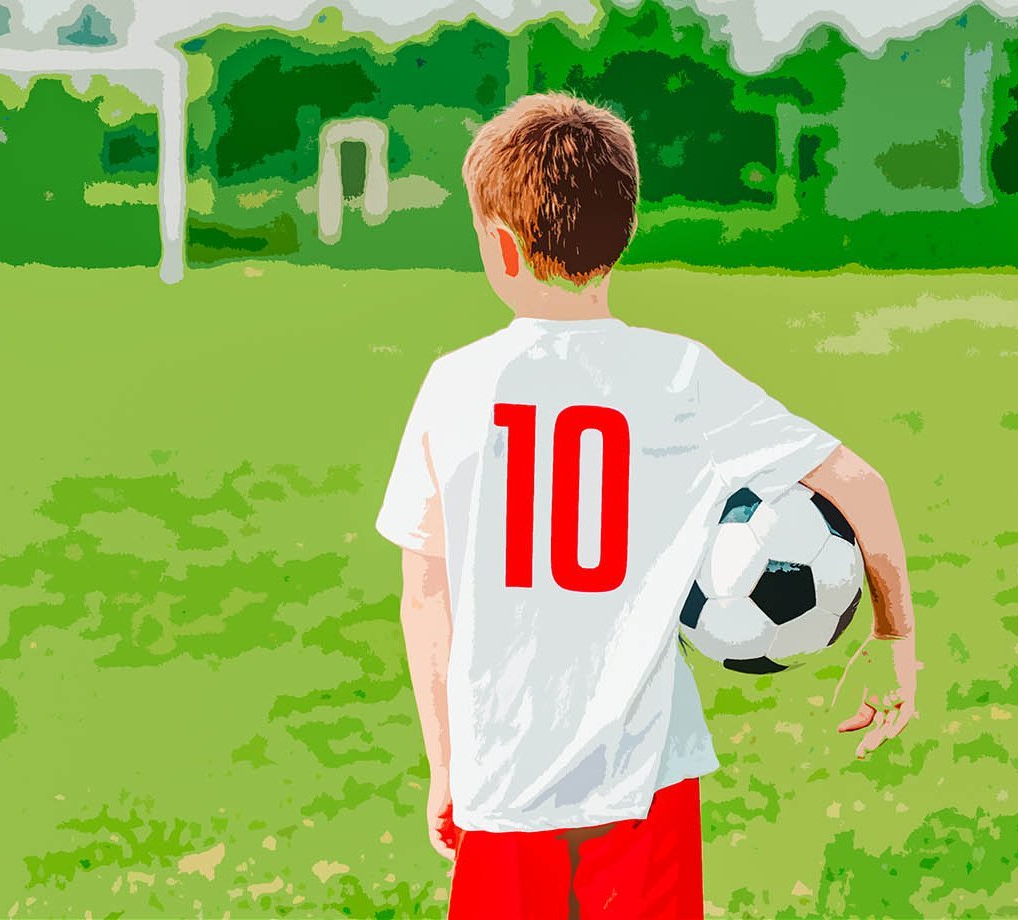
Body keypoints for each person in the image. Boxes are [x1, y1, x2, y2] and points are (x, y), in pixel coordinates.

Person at [373, 93, 920, 920]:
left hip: (503, 777)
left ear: (501, 246)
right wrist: (891, 636)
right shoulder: (679, 377)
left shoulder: (454, 386)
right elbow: (859, 484)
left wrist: (446, 764)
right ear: (622, 232)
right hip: (645, 777)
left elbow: (425, 594)